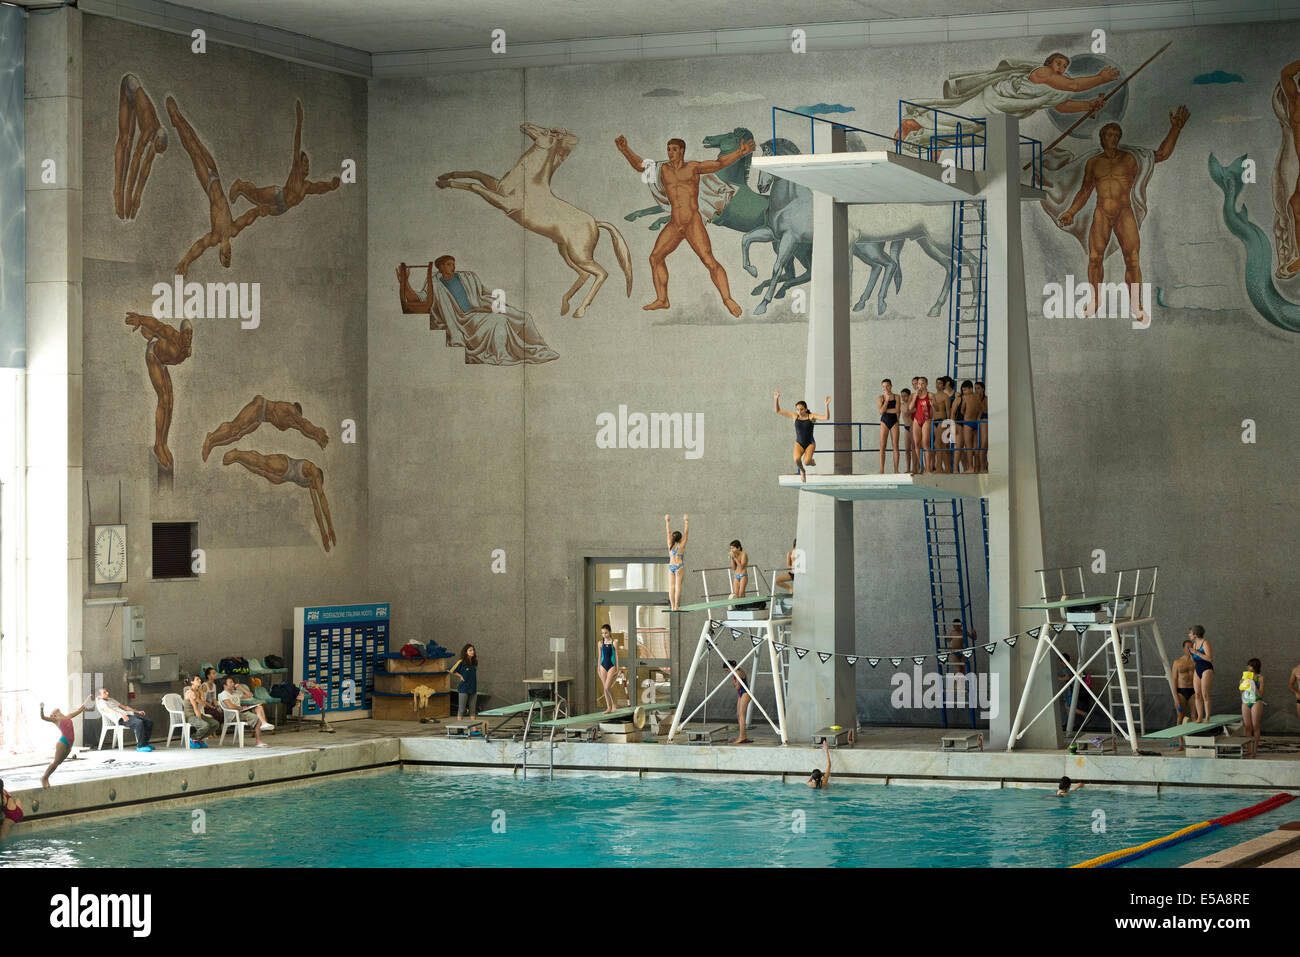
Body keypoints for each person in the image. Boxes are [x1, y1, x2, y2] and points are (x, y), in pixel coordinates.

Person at [1057, 109, 1189, 323]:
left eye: (1117, 135)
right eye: (1109, 135)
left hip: (1124, 213)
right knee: (1094, 258)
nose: (1114, 138)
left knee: (1133, 259)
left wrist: (1175, 129)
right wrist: (1071, 211)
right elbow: (1085, 190)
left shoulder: (1131, 159)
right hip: (1102, 213)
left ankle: (1136, 306)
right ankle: (1095, 301)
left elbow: (1161, 155)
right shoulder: (1094, 163)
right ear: (1102, 139)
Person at [614, 133, 756, 317]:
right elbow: (640, 166)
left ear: (681, 151)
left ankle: (728, 299)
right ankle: (663, 300)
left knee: (709, 261)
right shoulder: (662, 169)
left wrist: (739, 153)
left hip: (692, 222)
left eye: (674, 149)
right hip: (675, 223)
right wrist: (625, 150)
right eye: (668, 149)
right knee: (655, 258)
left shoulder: (693, 168)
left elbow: (719, 163)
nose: (670, 152)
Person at [166, 95, 262, 276]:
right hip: (216, 175)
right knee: (197, 142)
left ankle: (177, 122)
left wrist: (186, 261)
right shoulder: (233, 229)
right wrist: (261, 209)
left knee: (192, 148)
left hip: (208, 184)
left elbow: (200, 245)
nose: (228, 255)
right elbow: (249, 217)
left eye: (225, 258)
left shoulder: (216, 236)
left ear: (220, 253)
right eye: (229, 257)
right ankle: (178, 116)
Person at [425, 255, 560, 365]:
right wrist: (404, 282)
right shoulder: (435, 283)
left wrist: (498, 300)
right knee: (500, 320)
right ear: (441, 266)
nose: (453, 267)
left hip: (482, 306)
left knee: (524, 317)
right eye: (449, 264)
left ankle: (541, 347)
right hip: (465, 319)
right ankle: (503, 354)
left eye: (453, 264)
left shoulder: (467, 277)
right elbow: (422, 297)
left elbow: (484, 291)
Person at [228, 99, 341, 219]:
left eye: (308, 164)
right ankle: (240, 185)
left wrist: (331, 186)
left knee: (261, 209)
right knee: (256, 195)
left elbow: (319, 188)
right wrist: (299, 122)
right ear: (299, 165)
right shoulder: (296, 173)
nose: (307, 166)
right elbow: (297, 144)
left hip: (282, 208)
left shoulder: (306, 186)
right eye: (305, 163)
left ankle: (243, 190)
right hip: (278, 195)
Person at [221, 449, 336, 552]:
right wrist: (330, 526)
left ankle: (239, 460)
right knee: (263, 462)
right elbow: (322, 497)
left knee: (260, 472)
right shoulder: (313, 469)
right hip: (286, 465)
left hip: (285, 477)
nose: (316, 488)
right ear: (319, 477)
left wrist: (323, 533)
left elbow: (316, 507)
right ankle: (238, 454)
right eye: (318, 485)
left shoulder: (310, 483)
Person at [124, 312, 192, 472]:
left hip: (162, 361)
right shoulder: (173, 335)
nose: (188, 337)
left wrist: (151, 335)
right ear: (180, 334)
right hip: (153, 356)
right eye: (186, 334)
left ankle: (164, 443)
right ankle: (157, 445)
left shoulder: (187, 350)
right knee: (163, 399)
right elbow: (157, 325)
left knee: (171, 402)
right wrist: (140, 319)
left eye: (191, 334)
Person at [203, 396, 329, 462]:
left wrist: (316, 437)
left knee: (237, 436)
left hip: (260, 419)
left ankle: (214, 443)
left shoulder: (289, 422)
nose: (294, 420)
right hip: (260, 407)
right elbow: (303, 423)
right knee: (236, 427)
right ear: (295, 410)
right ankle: (211, 438)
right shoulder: (288, 408)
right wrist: (317, 431)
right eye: (296, 416)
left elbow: (303, 429)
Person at [114, 73, 167, 221]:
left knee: (130, 143)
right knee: (125, 141)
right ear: (156, 139)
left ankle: (123, 194)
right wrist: (128, 194)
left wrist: (138, 197)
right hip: (128, 87)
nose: (154, 151)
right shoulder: (150, 129)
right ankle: (117, 191)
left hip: (137, 98)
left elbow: (145, 168)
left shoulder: (156, 137)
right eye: (156, 148)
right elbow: (136, 161)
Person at [774, 391, 830, 483]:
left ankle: (812, 461)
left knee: (807, 462)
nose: (799, 412)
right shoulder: (795, 416)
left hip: (810, 443)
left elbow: (826, 418)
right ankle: (803, 471)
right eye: (797, 409)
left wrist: (826, 406)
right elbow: (778, 411)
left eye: (801, 409)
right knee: (796, 459)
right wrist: (776, 399)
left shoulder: (811, 417)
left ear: (806, 409)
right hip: (799, 443)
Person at [38, 697, 92, 787]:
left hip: (70, 743)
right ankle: (44, 778)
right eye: (53, 711)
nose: (55, 709)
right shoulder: (56, 720)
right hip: (63, 742)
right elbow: (42, 717)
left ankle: (46, 777)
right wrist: (42, 708)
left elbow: (80, 709)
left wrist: (88, 699)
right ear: (54, 715)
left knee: (58, 763)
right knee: (55, 762)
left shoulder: (68, 716)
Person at [96, 687, 155, 752]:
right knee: (138, 723)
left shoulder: (110, 699)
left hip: (127, 715)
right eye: (104, 692)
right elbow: (109, 710)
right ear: (99, 696)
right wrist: (121, 715)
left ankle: (145, 743)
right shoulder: (101, 702)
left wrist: (137, 711)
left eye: (106, 691)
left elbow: (125, 707)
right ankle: (141, 746)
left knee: (149, 722)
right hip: (120, 719)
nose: (107, 693)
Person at [219, 677, 272, 747]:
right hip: (234, 716)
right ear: (225, 685)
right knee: (257, 719)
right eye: (230, 682)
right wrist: (241, 707)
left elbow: (250, 695)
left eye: (233, 682)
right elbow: (230, 706)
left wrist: (241, 688)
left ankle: (264, 723)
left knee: (259, 707)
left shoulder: (235, 693)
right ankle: (259, 741)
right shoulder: (223, 694)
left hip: (241, 713)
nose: (233, 684)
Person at [908, 376, 935, 474]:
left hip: (926, 420)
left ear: (926, 384)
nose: (920, 385)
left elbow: (937, 408)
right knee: (917, 444)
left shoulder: (930, 395)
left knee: (925, 444)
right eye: (919, 384)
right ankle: (922, 466)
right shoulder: (914, 395)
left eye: (922, 383)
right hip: (916, 420)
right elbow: (910, 408)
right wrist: (915, 397)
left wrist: (933, 405)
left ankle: (928, 468)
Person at [182, 674, 218, 747]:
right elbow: (195, 708)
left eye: (200, 679)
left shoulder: (198, 691)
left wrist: (201, 694)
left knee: (215, 724)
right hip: (190, 716)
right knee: (205, 725)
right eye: (197, 679)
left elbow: (203, 704)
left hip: (197, 713)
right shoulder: (190, 692)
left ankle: (199, 739)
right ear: (192, 682)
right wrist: (200, 719)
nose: (200, 680)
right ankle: (193, 739)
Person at [1239, 659, 1264, 757]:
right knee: (1247, 726)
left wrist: (1253, 684)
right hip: (1246, 701)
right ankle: (1249, 751)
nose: (1248, 668)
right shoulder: (1244, 676)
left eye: (1250, 666)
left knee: (1255, 725)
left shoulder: (1260, 678)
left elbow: (1261, 694)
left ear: (1255, 667)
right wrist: (1242, 684)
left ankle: (1254, 750)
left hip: (1256, 701)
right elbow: (1241, 692)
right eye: (1248, 666)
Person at [1189, 625, 1214, 723]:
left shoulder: (1205, 643)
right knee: (1197, 694)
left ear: (1195, 634)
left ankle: (1207, 717)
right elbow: (1195, 660)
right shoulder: (1194, 644)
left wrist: (1196, 652)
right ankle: (1200, 717)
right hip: (1198, 668)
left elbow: (1210, 658)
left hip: (1206, 668)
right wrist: (1191, 655)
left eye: (1190, 633)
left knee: (1205, 694)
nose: (1189, 635)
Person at [1171, 640, 1199, 724]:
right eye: (1188, 648)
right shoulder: (1177, 662)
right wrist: (1176, 698)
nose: (1190, 650)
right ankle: (1180, 737)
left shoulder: (1196, 662)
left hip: (1193, 691)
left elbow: (1200, 677)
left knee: (1195, 716)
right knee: (1180, 716)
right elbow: (1174, 680)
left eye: (1191, 647)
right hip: (1181, 691)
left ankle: (1194, 736)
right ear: (1183, 649)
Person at [877, 379, 902, 473]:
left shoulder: (897, 396)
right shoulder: (880, 398)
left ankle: (896, 470)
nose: (885, 388)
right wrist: (886, 402)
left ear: (891, 386)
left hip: (894, 422)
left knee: (895, 446)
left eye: (887, 386)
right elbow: (880, 412)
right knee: (882, 446)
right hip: (884, 422)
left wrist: (885, 410)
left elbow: (897, 410)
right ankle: (882, 470)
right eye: (883, 386)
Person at [448, 644, 479, 719]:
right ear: (466, 652)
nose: (472, 652)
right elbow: (450, 670)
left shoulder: (474, 662)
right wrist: (460, 676)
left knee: (472, 710)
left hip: (473, 688)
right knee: (461, 709)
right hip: (464, 689)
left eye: (473, 650)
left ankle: (473, 728)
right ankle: (459, 728)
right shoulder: (461, 662)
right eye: (470, 650)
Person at [665, 514, 688, 611]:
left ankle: (672, 606)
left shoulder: (670, 544)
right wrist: (686, 521)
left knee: (671, 587)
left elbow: (668, 532)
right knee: (678, 586)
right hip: (679, 566)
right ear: (680, 538)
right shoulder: (681, 545)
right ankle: (676, 606)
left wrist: (667, 521)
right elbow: (686, 533)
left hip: (671, 566)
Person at [596, 624, 619, 714]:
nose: (604, 635)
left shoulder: (614, 643)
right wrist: (598, 668)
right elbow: (599, 656)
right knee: (605, 688)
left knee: (607, 687)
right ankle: (608, 707)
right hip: (602, 666)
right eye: (602, 633)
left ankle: (614, 704)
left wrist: (617, 668)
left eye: (606, 633)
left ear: (609, 632)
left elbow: (616, 656)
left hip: (611, 666)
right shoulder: (600, 643)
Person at [728, 661, 752, 744]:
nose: (728, 672)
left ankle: (742, 737)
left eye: (727, 670)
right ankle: (743, 736)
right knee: (738, 714)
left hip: (745, 693)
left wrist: (734, 684)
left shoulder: (738, 672)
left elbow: (737, 686)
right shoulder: (737, 671)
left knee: (742, 715)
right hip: (741, 694)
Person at [898, 387, 915, 474]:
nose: (903, 398)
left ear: (909, 396)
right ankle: (908, 468)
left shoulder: (913, 404)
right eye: (902, 396)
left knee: (914, 448)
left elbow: (910, 411)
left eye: (905, 396)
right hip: (906, 428)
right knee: (907, 449)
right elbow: (903, 412)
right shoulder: (901, 405)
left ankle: (915, 467)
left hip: (913, 427)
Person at [974, 381, 989, 473]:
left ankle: (983, 466)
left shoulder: (985, 399)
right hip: (976, 422)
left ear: (983, 389)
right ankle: (978, 466)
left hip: (984, 420)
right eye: (975, 388)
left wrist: (979, 401)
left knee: (983, 444)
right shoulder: (974, 399)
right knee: (976, 447)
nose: (976, 390)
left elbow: (985, 411)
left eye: (978, 388)